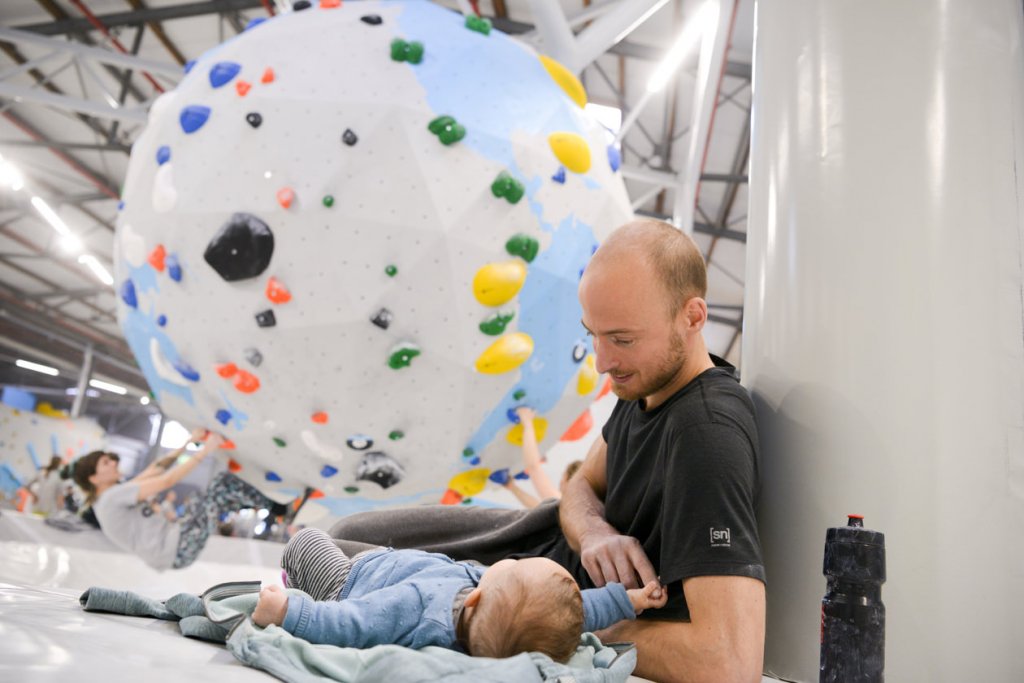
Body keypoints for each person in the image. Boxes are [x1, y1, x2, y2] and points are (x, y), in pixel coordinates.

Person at [328, 219, 765, 682]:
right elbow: (579, 484)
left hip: (547, 593)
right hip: (543, 542)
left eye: (622, 339)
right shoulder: (646, 384)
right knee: (344, 538)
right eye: (593, 334)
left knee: (343, 572)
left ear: (693, 317)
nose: (601, 362)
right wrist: (594, 532)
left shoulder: (707, 433)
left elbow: (728, 664)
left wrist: (564, 623)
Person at [252, 527, 667, 662]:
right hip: (392, 563)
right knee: (349, 538)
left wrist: (289, 612)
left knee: (307, 540)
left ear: (473, 598)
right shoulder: (499, 618)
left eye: (516, 566)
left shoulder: (415, 605)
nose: (514, 561)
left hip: (353, 583)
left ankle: (299, 582)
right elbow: (578, 613)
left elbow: (349, 625)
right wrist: (628, 601)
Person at [73, 428, 302, 570]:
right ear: (93, 478)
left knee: (208, 498)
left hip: (174, 549)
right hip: (176, 547)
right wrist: (205, 450)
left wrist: (189, 442)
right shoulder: (111, 497)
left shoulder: (109, 498)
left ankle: (272, 510)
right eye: (105, 463)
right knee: (221, 484)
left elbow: (155, 469)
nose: (114, 462)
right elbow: (164, 481)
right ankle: (281, 511)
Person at [501, 406, 583, 509]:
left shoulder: (566, 507)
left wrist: (527, 422)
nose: (560, 483)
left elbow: (533, 467)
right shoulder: (577, 510)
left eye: (563, 477)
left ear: (569, 482)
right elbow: (538, 509)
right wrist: (512, 487)